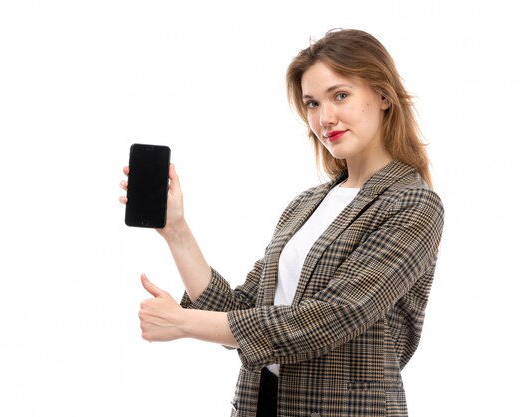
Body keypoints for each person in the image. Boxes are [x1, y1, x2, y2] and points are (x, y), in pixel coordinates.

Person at [119, 28, 444, 417]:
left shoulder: (412, 202)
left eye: (340, 95)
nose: (325, 118)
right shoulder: (305, 205)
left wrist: (185, 323)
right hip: (263, 401)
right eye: (311, 103)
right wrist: (176, 231)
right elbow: (243, 310)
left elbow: (332, 317)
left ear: (383, 96)